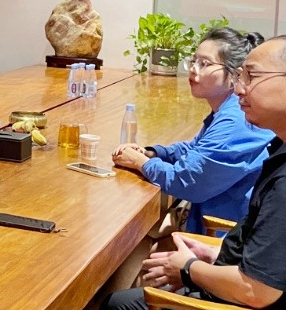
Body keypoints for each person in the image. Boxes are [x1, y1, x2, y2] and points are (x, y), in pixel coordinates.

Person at [79, 34, 286, 310]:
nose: (239, 89)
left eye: (251, 77)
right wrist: (217, 256)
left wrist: (188, 269)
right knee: (117, 305)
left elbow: (256, 292)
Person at [112, 28, 274, 235]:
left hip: (223, 233)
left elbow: (186, 182)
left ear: (235, 74)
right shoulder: (228, 109)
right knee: (145, 233)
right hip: (207, 217)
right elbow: (196, 149)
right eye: (193, 61)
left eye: (204, 64)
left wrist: (140, 162)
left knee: (132, 235)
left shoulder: (236, 119)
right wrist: (153, 153)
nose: (193, 69)